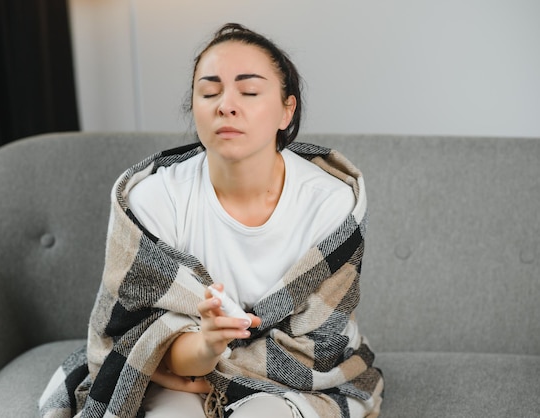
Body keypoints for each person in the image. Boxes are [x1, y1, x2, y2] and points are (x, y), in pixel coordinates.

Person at [39, 23, 383, 418]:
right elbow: (143, 339)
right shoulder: (154, 199)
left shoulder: (331, 204)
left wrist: (222, 365)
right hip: (180, 370)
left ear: (287, 110)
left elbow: (318, 345)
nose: (226, 105)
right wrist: (206, 345)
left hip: (298, 377)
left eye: (249, 91)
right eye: (210, 91)